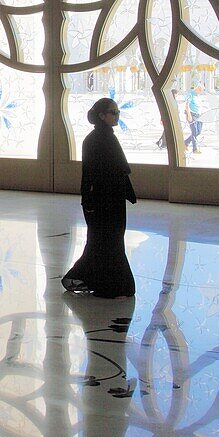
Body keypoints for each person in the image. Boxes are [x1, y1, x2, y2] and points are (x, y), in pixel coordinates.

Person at [62, 97, 136, 298]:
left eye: (118, 112)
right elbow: (90, 174)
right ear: (102, 115)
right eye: (113, 112)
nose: (116, 116)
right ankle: (110, 285)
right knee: (105, 240)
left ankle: (109, 283)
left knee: (108, 240)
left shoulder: (106, 137)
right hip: (103, 200)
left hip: (112, 198)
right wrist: (88, 201)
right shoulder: (95, 140)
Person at [184, 84, 204, 153]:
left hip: (199, 115)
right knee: (194, 131)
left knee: (198, 131)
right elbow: (187, 105)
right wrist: (189, 115)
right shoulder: (190, 94)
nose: (201, 92)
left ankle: (185, 142)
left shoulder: (198, 96)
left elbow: (199, 106)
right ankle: (195, 149)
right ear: (197, 89)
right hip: (192, 115)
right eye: (201, 90)